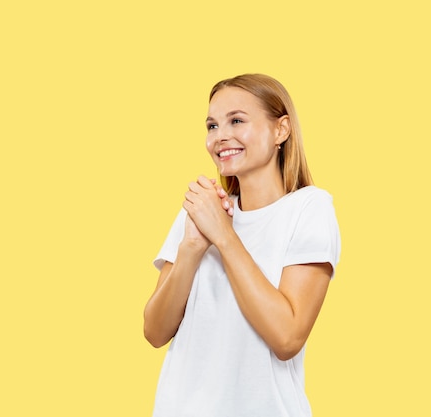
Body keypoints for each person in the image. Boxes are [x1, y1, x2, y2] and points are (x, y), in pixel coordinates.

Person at [143, 73, 341, 417]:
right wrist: (191, 247)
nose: (220, 137)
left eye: (236, 120)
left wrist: (223, 235)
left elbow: (287, 338)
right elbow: (155, 331)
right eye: (212, 126)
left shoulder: (309, 208)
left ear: (281, 130)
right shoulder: (202, 210)